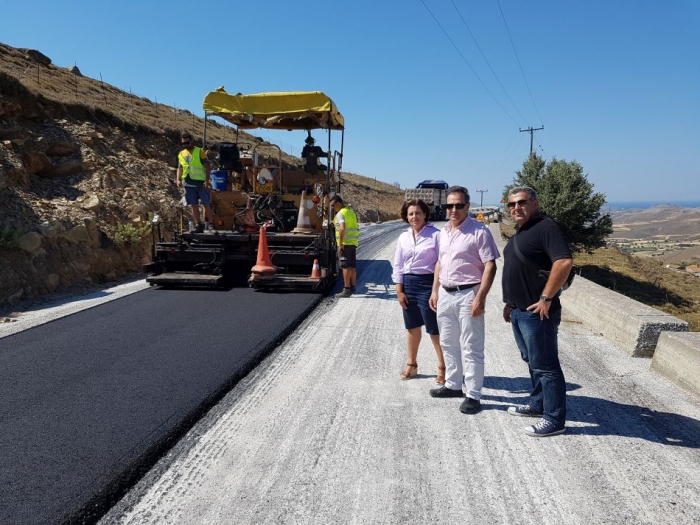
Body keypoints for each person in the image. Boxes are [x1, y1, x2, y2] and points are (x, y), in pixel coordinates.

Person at [502, 186, 573, 437]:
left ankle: (554, 420)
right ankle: (537, 404)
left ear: (535, 203)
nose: (515, 208)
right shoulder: (522, 232)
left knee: (546, 366)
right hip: (520, 311)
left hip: (538, 312)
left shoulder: (546, 227)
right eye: (511, 204)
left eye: (521, 202)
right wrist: (510, 303)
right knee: (532, 361)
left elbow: (563, 262)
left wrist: (546, 298)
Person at [428, 186, 500, 415]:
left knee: (471, 346)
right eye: (449, 206)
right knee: (448, 343)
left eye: (459, 205)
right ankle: (453, 384)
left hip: (469, 293)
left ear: (467, 206)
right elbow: (440, 262)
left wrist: (480, 298)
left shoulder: (479, 231)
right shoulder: (443, 233)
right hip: (446, 294)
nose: (453, 210)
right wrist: (435, 290)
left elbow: (490, 265)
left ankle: (473, 395)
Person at [392, 199, 446, 383]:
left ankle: (443, 367)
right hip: (408, 284)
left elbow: (441, 263)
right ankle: (411, 365)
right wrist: (399, 291)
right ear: (406, 217)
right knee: (412, 327)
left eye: (418, 213)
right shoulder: (403, 237)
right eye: (411, 214)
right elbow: (398, 265)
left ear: (425, 215)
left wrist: (435, 291)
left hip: (428, 284)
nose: (414, 217)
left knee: (434, 329)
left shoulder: (436, 235)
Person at [176, 131, 212, 233]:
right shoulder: (181, 154)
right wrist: (178, 179)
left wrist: (207, 180)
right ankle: (198, 225)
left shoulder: (199, 152)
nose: (186, 145)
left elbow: (207, 167)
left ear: (192, 141)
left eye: (187, 143)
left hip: (201, 183)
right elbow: (180, 168)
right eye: (183, 143)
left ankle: (210, 225)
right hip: (188, 183)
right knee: (193, 205)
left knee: (206, 204)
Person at [330, 195, 359, 298]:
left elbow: (342, 228)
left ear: (338, 203)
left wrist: (341, 244)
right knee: (352, 266)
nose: (333, 208)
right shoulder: (351, 212)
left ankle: (346, 289)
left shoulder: (340, 214)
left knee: (345, 266)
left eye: (333, 205)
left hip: (345, 244)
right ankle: (353, 287)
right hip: (353, 243)